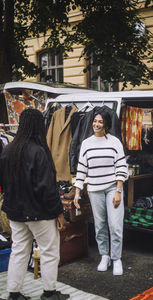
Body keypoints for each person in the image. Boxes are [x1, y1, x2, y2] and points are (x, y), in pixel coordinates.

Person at [0, 109, 69, 300]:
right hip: (40, 213)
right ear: (39, 126)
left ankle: (13, 294)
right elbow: (47, 188)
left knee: (19, 252)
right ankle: (49, 293)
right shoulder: (39, 151)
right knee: (49, 252)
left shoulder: (8, 150)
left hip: (15, 212)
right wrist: (59, 213)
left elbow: (4, 184)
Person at [73, 108, 129, 276]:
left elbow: (121, 167)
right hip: (94, 189)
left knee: (115, 225)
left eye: (100, 122)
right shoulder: (86, 143)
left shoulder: (114, 142)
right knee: (100, 225)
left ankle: (116, 258)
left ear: (106, 124)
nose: (96, 124)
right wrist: (77, 192)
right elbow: (81, 169)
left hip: (113, 187)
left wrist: (119, 190)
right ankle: (104, 256)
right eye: (95, 121)